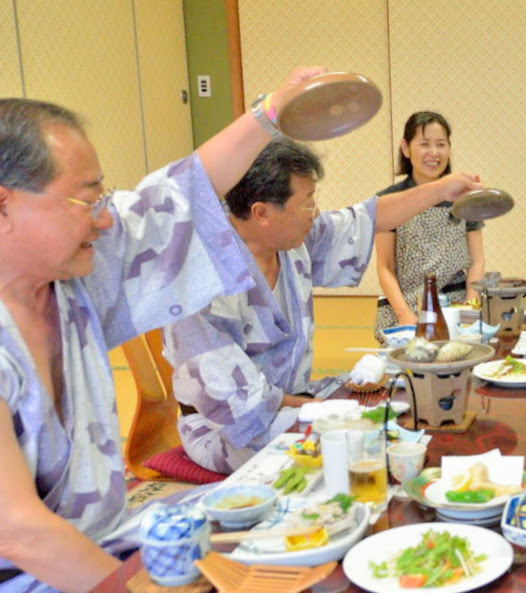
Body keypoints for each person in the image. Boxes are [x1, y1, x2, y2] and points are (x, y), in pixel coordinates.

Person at [0, 66, 327, 593]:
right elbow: (19, 533)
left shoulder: (72, 282)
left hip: (102, 536)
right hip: (34, 574)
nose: (106, 220)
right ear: (4, 203)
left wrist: (271, 113)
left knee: (286, 524)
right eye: (87, 200)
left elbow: (174, 200)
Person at [162, 137, 482, 474]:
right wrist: (327, 407)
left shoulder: (288, 240)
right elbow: (239, 404)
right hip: (230, 430)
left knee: (398, 392)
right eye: (308, 202)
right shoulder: (204, 281)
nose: (315, 214)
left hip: (292, 400)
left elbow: (366, 218)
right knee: (356, 440)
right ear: (262, 213)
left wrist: (441, 190)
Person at [374, 111, 486, 345]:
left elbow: (477, 261)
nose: (434, 153)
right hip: (406, 305)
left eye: (441, 144)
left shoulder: (465, 197)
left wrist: (470, 306)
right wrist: (405, 314)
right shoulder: (389, 200)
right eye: (424, 144)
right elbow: (385, 267)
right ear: (406, 148)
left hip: (457, 304)